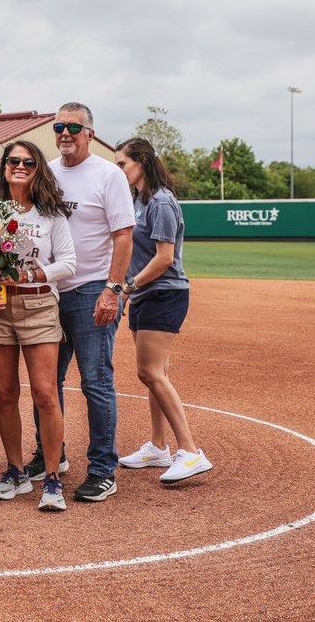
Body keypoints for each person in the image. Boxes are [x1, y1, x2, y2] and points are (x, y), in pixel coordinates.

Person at [27, 102, 135, 503]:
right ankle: (50, 455)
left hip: (92, 289)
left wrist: (114, 289)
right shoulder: (48, 172)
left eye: (74, 127)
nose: (65, 133)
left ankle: (104, 468)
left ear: (90, 132)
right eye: (59, 127)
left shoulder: (108, 175)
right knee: (45, 384)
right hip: (49, 291)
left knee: (95, 381)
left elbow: (124, 235)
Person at [0, 141, 76, 511]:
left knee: (45, 393)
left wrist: (27, 273)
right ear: (4, 165)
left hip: (40, 303)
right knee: (5, 393)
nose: (20, 166)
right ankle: (14, 471)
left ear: (38, 167)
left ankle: (52, 477)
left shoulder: (51, 210)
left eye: (28, 162)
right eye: (14, 161)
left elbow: (69, 263)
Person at [114, 137, 212, 483]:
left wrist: (126, 287)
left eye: (122, 164)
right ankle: (158, 446)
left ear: (141, 161)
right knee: (156, 375)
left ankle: (190, 451)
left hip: (164, 294)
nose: (119, 170)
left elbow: (165, 258)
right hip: (145, 295)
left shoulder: (162, 202)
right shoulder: (140, 200)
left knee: (150, 372)